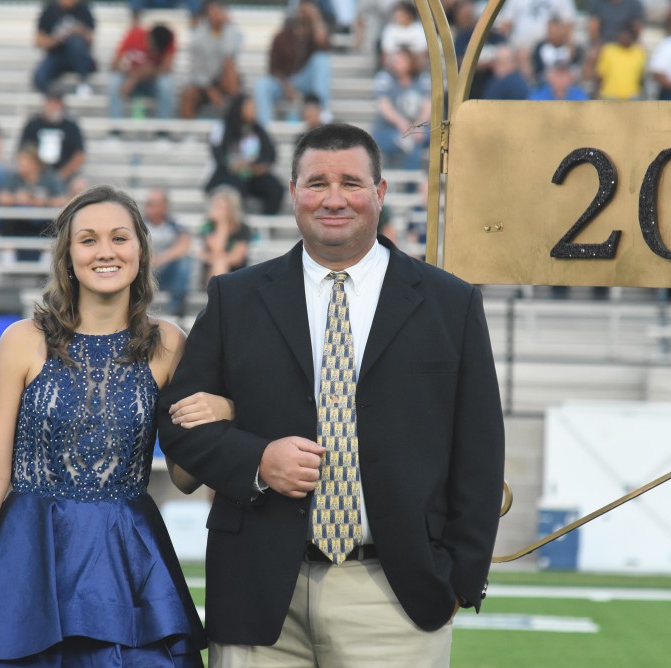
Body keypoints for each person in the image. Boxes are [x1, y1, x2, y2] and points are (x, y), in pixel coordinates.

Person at [157, 123, 506, 666]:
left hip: (397, 597)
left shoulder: (450, 304)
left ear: (381, 193)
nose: (334, 199)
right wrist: (258, 461)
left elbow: (480, 450)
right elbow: (178, 425)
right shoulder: (237, 298)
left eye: (352, 183)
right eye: (317, 183)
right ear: (294, 193)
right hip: (259, 592)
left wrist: (461, 577)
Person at [0, 185, 234, 666]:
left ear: (141, 251)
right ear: (67, 256)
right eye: (88, 240)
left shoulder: (169, 342)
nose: (105, 251)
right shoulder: (22, 340)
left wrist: (222, 413)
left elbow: (187, 478)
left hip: (126, 557)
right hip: (26, 555)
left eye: (119, 238)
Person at [254, 0, 332, 128]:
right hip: (283, 82)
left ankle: (321, 112)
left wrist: (317, 21)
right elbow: (273, 69)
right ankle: (264, 129)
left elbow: (325, 48)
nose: (303, 15)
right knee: (261, 84)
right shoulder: (281, 37)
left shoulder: (314, 35)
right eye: (301, 12)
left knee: (321, 60)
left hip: (304, 81)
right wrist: (285, 86)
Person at [206, 93, 286, 215]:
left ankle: (266, 224)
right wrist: (232, 165)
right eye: (250, 107)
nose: (254, 111)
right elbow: (218, 152)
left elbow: (270, 154)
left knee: (276, 188)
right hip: (229, 174)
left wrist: (259, 167)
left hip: (253, 175)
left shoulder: (258, 129)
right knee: (235, 187)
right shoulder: (223, 126)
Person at [179, 0, 243, 120]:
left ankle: (236, 121)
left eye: (218, 11)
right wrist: (209, 89)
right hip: (202, 83)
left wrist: (227, 26)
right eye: (213, 11)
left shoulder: (230, 31)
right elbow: (196, 70)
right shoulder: (199, 35)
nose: (216, 14)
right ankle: (188, 134)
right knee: (188, 94)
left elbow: (229, 53)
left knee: (230, 67)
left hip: (223, 81)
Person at [372, 46, 431, 171]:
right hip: (391, 129)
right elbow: (384, 106)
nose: (396, 63)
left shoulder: (422, 79)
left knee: (416, 140)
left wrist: (415, 128)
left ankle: (410, 185)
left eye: (400, 60)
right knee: (394, 140)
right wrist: (402, 124)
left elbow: (427, 108)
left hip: (417, 129)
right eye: (395, 59)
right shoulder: (385, 77)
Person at [107, 15, 177, 121]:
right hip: (129, 79)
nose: (154, 53)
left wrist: (137, 77)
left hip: (151, 82)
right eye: (154, 49)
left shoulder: (168, 38)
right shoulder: (134, 34)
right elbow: (114, 64)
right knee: (114, 82)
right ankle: (114, 128)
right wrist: (134, 75)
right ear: (149, 38)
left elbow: (166, 68)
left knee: (166, 84)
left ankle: (163, 130)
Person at [18, 91, 87, 190]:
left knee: (79, 185)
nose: (53, 107)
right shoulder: (33, 125)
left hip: (64, 173)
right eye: (50, 103)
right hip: (36, 173)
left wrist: (62, 174)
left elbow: (80, 155)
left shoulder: (71, 127)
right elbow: (23, 151)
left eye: (56, 103)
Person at [144, 189, 193, 317]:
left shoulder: (174, 225)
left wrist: (161, 258)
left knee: (185, 261)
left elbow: (185, 245)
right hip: (145, 271)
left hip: (166, 272)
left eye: (153, 203)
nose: (149, 207)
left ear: (164, 206)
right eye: (148, 203)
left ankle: (176, 305)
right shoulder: (140, 225)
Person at [33, 0, 97, 95]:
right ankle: (54, 97)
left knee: (76, 43)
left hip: (77, 56)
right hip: (56, 54)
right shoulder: (50, 10)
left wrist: (79, 30)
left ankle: (83, 82)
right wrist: (56, 39)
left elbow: (91, 39)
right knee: (39, 76)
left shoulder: (83, 9)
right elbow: (38, 40)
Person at [199, 184, 252, 284]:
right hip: (210, 272)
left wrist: (214, 258)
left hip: (236, 272)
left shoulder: (242, 228)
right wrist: (221, 225)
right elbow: (217, 248)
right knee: (219, 265)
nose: (219, 211)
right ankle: (218, 294)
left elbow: (237, 258)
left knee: (220, 263)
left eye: (223, 208)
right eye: (217, 207)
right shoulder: (208, 226)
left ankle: (218, 295)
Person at [595, 25, 647, 100]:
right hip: (610, 96)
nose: (624, 38)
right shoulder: (609, 50)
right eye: (622, 35)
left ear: (632, 37)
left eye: (627, 36)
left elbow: (641, 77)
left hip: (631, 97)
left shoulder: (639, 53)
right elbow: (600, 74)